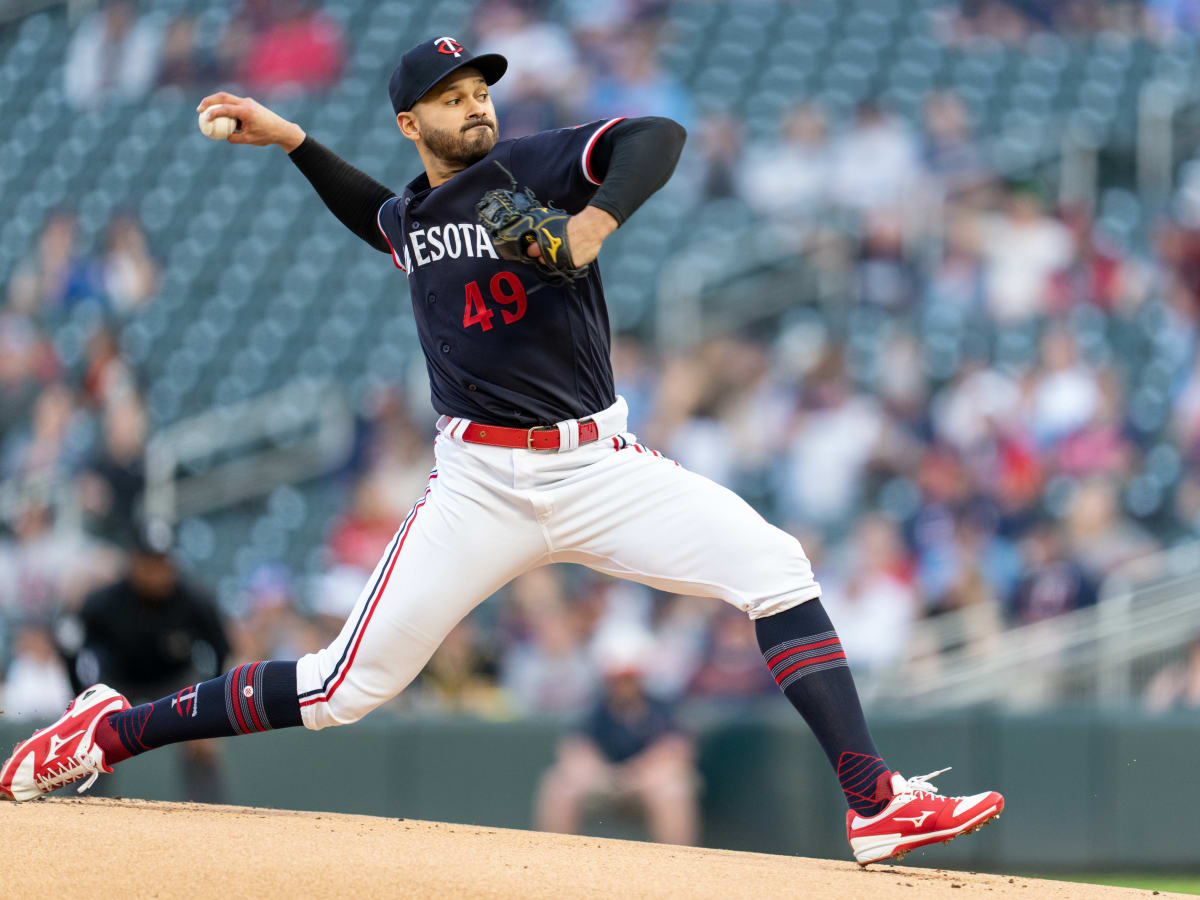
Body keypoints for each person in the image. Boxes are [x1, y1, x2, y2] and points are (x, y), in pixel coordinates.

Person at [1, 37, 1003, 866]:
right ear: (410, 125)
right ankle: (108, 730)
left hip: (599, 466)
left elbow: (658, 134)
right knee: (339, 690)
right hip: (479, 485)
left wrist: (595, 220)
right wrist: (294, 139)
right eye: (450, 96)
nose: (474, 104)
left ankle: (873, 802)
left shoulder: (531, 167)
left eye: (480, 87)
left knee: (777, 569)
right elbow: (377, 216)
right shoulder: (417, 213)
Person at [62, 525, 232, 802]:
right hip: (118, 681)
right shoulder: (105, 602)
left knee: (202, 739)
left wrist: (214, 714)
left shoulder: (193, 599)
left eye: (163, 562)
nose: (158, 571)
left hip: (173, 679)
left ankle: (214, 815)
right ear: (135, 563)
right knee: (89, 737)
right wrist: (78, 699)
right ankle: (76, 807)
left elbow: (222, 649)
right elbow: (69, 645)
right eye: (150, 563)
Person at [535, 626, 699, 845]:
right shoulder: (597, 709)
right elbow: (574, 749)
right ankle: (553, 858)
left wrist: (637, 775)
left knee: (671, 786)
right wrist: (603, 774)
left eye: (629, 678)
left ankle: (678, 866)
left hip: (646, 783)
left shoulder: (662, 707)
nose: (623, 685)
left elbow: (678, 750)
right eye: (617, 679)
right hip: (606, 781)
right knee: (559, 782)